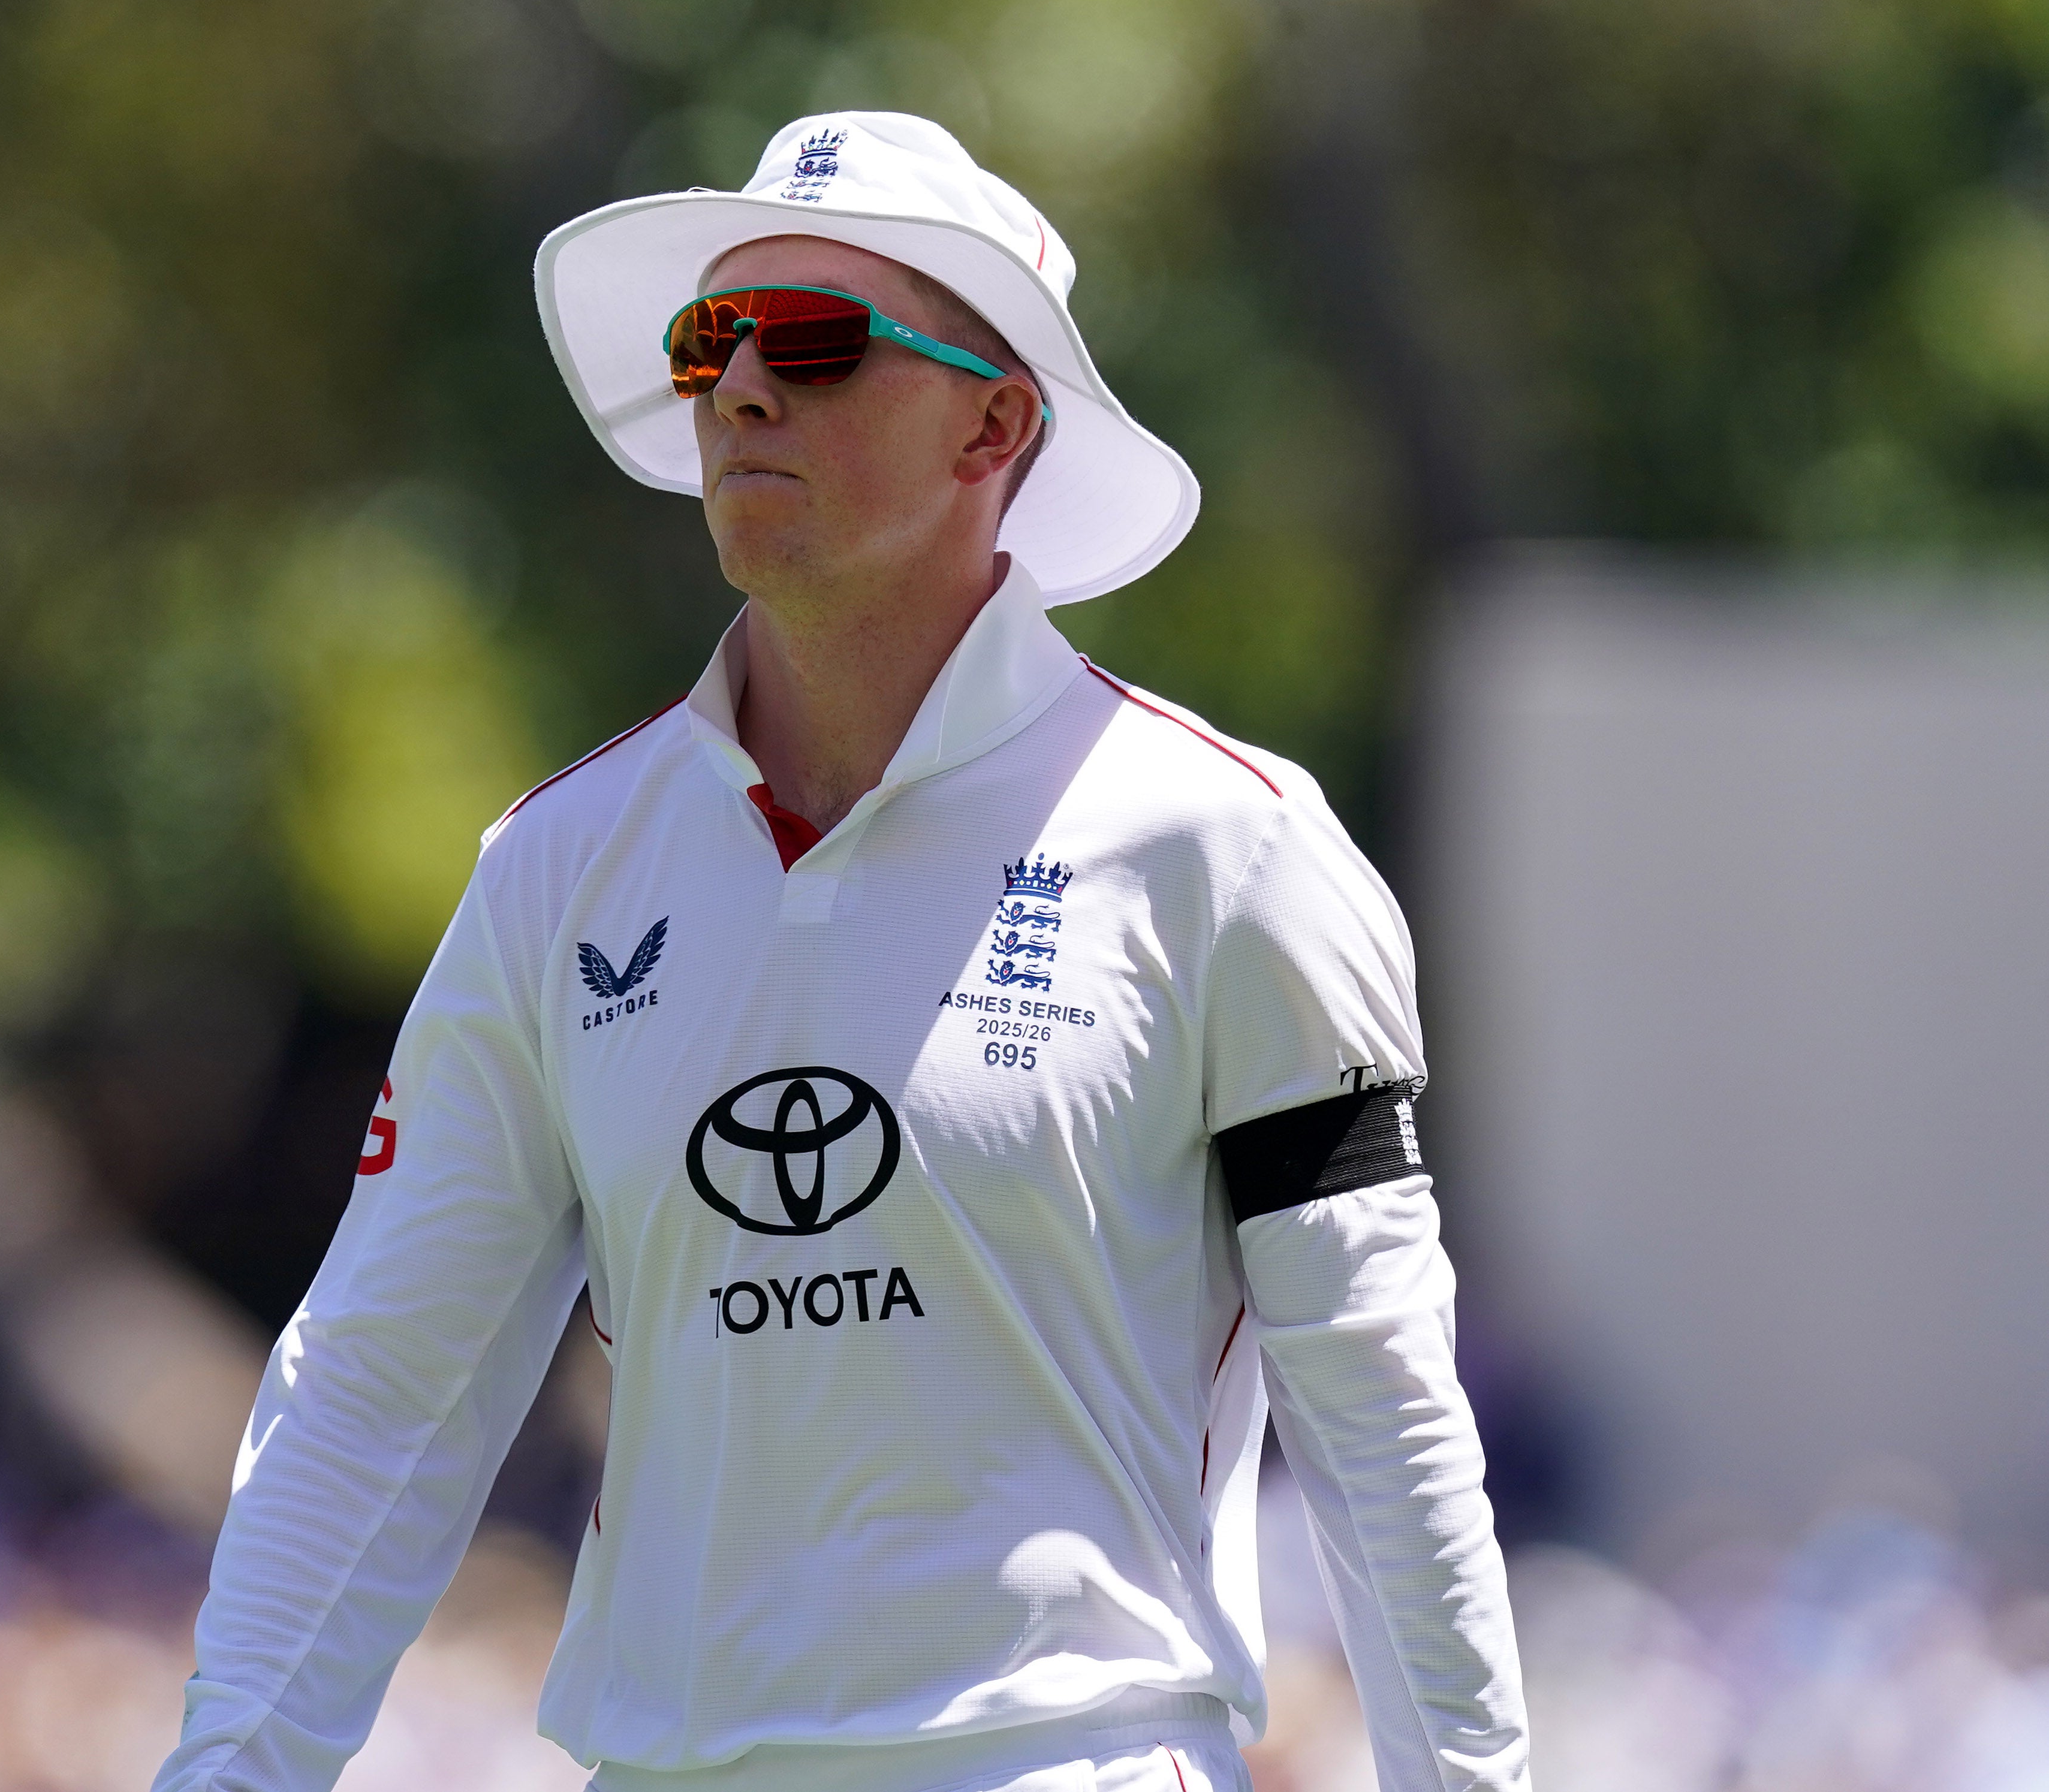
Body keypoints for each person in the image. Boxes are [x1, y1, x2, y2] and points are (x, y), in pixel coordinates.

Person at [156, 111, 1529, 1792]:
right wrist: (224, 1772)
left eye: (811, 345)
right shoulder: (556, 870)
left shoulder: (1224, 844)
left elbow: (1375, 1394)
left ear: (995, 423)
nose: (739, 391)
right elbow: (376, 1386)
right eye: (707, 342)